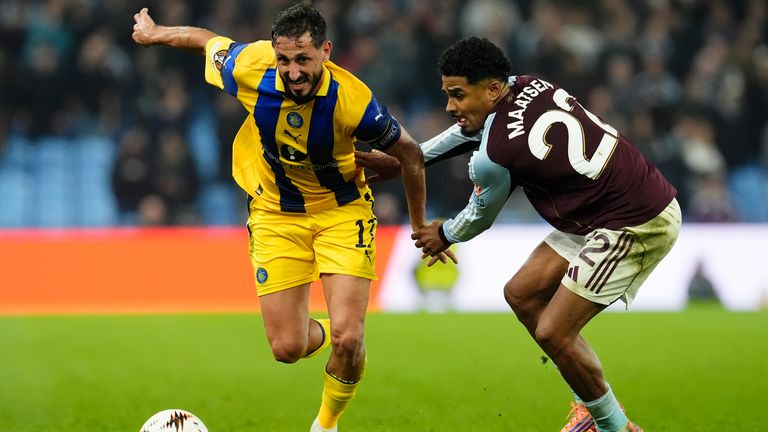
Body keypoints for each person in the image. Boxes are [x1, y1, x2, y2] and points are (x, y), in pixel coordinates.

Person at [132, 3, 454, 431]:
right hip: (275, 213)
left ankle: (326, 420)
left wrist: (419, 226)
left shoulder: (353, 101)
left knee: (350, 335)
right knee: (287, 347)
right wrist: (156, 32)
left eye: (303, 59)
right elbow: (206, 41)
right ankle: (342, 342)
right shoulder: (253, 66)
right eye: (284, 59)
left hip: (342, 212)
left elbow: (409, 155)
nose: (293, 70)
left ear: (325, 51)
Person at [357, 37, 681, 432]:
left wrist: (445, 233)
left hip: (634, 221)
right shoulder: (529, 83)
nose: (449, 106)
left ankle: (614, 427)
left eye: (458, 95)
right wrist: (411, 156)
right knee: (522, 294)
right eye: (447, 94)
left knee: (554, 331)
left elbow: (479, 216)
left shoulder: (496, 155)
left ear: (493, 89)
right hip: (600, 208)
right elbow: (473, 132)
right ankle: (590, 408)